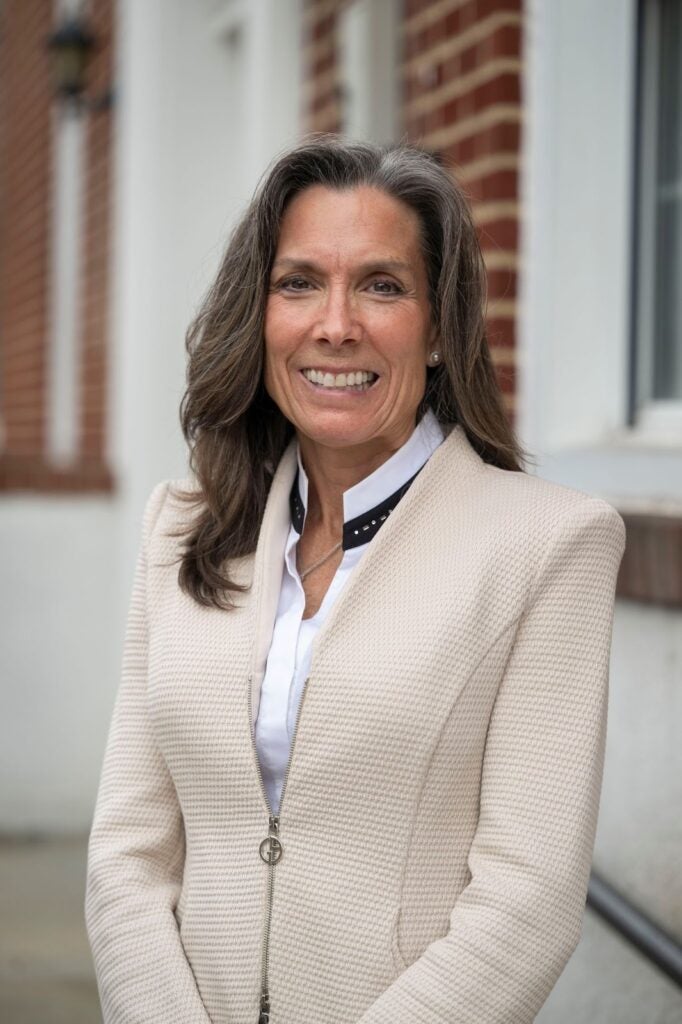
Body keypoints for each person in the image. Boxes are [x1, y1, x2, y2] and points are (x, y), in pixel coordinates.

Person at [85, 136, 626, 1024]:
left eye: (382, 285)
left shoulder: (550, 545)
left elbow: (527, 903)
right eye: (299, 282)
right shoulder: (178, 527)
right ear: (258, 317)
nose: (335, 324)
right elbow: (127, 854)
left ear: (442, 329)